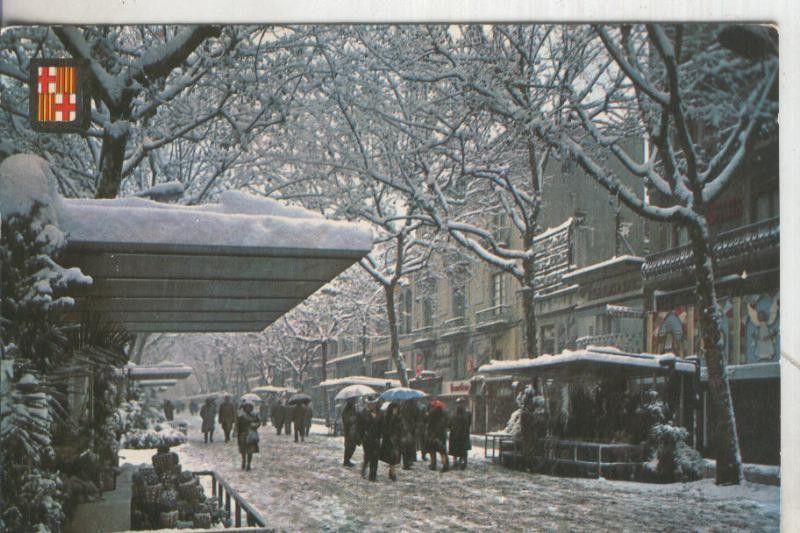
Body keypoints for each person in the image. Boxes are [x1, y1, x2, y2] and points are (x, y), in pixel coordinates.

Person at [358, 396, 384, 481]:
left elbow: (382, 425)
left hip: (376, 437)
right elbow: (360, 426)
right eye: (369, 404)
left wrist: (381, 435)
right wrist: (361, 437)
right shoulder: (363, 413)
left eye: (373, 404)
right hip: (367, 438)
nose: (371, 405)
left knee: (375, 457)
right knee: (368, 455)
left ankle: (373, 475)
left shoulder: (380, 413)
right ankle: (364, 468)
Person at [380, 402, 402, 481]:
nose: (395, 410)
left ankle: (392, 471)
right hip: (389, 440)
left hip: (396, 440)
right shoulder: (387, 417)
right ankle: (393, 473)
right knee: (392, 457)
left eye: (396, 409)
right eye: (394, 408)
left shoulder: (398, 418)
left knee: (394, 458)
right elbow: (385, 428)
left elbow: (400, 428)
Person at [425, 400, 449, 472]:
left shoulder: (432, 413)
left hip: (433, 434)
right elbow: (447, 423)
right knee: (442, 451)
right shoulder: (444, 413)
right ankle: (445, 465)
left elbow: (429, 423)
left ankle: (433, 464)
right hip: (442, 434)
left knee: (432, 450)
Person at [236, 400, 261, 471]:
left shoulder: (255, 414)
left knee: (250, 451)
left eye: (249, 407)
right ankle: (243, 460)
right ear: (244, 407)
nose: (248, 408)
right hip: (242, 435)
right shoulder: (240, 415)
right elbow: (237, 424)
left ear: (251, 407)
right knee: (243, 450)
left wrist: (255, 425)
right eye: (246, 407)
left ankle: (249, 463)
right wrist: (237, 432)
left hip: (251, 435)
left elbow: (259, 422)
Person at [448, 398, 472, 470]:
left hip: (461, 434)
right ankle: (457, 462)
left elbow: (468, 423)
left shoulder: (466, 413)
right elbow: (450, 423)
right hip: (457, 434)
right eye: (459, 403)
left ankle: (462, 462)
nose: (460, 405)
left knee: (461, 450)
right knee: (457, 449)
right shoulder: (455, 413)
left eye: (461, 403)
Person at [398, 400, 418, 470]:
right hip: (408, 428)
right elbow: (416, 416)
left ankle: (407, 462)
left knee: (406, 446)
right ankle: (407, 462)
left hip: (406, 428)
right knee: (408, 446)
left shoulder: (401, 406)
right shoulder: (412, 406)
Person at [341, 398, 360, 467]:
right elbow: (346, 420)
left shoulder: (354, 409)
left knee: (353, 447)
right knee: (349, 447)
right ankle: (346, 461)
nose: (354, 403)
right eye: (353, 401)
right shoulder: (346, 411)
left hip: (354, 432)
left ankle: (347, 460)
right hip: (349, 432)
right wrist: (354, 418)